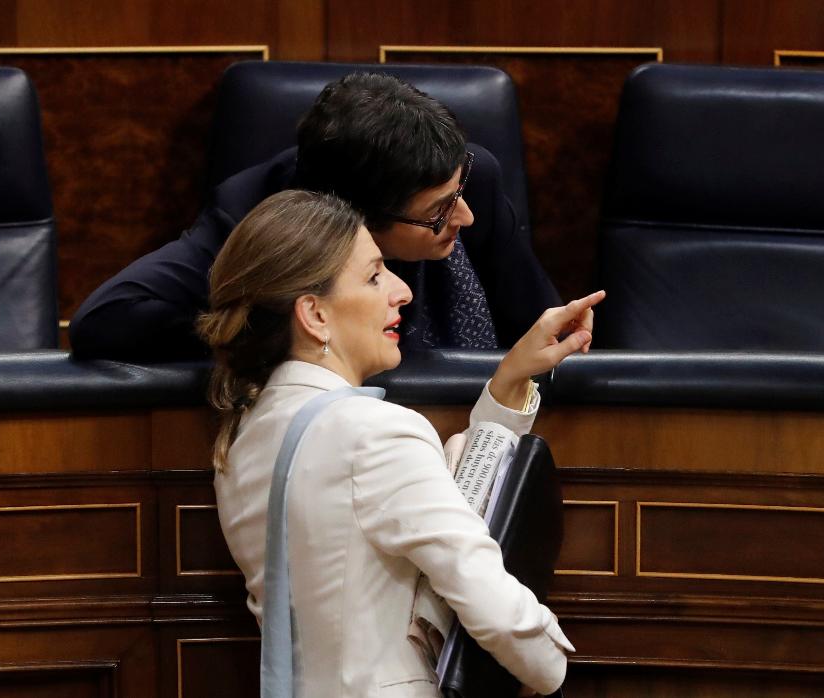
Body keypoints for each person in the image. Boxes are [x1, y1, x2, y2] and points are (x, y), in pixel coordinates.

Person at [199, 190, 603, 696]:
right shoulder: (377, 432)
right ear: (315, 315)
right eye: (373, 276)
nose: (401, 292)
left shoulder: (239, 440)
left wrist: (510, 380)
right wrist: (555, 670)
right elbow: (492, 603)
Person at [70, 72, 561, 361]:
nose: (467, 218)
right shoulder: (254, 219)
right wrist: (291, 330)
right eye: (437, 213)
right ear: (355, 219)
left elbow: (538, 323)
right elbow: (103, 321)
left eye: (458, 193)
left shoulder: (471, 178)